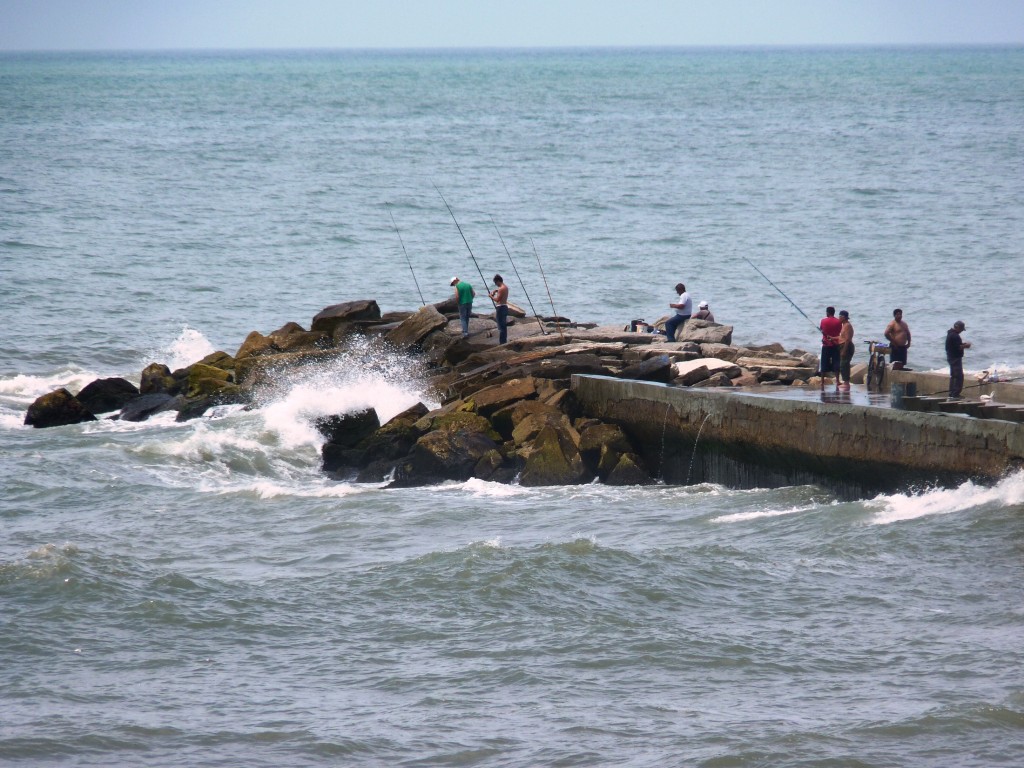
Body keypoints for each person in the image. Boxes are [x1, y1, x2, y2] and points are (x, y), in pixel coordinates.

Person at [945, 320, 971, 399]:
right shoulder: (955, 336)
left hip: (951, 357)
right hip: (955, 358)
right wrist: (966, 346)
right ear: (958, 328)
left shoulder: (950, 334)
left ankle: (952, 392)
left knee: (953, 375)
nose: (961, 331)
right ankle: (955, 394)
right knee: (958, 376)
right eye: (961, 329)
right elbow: (958, 347)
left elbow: (955, 345)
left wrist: (962, 344)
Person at [818, 306, 842, 392]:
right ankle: (838, 381)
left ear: (827, 312)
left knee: (824, 363)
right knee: (836, 362)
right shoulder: (839, 322)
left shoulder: (823, 321)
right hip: (836, 344)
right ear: (834, 313)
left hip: (826, 345)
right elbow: (840, 332)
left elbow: (821, 329)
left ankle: (822, 382)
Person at [489, 274, 509, 344]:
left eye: (495, 283)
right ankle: (504, 340)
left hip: (500, 308)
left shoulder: (501, 289)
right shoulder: (505, 287)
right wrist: (496, 291)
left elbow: (497, 300)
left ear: (498, 281)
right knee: (504, 326)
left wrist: (491, 296)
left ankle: (502, 342)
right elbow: (501, 293)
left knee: (500, 326)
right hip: (505, 307)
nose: (496, 284)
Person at [837, 309, 855, 391]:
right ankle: (845, 382)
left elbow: (847, 339)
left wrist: (844, 350)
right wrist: (832, 338)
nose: (838, 318)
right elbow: (841, 337)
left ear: (843, 317)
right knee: (843, 364)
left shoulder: (847, 325)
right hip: (843, 346)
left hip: (847, 347)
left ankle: (846, 383)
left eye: (840, 316)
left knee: (844, 364)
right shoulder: (843, 325)